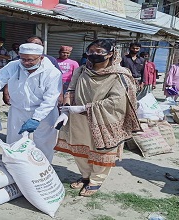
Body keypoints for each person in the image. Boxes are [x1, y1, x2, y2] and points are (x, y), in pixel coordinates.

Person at [54, 39, 141, 197]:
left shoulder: (120, 75)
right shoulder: (81, 71)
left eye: (100, 51)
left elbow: (116, 101)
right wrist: (66, 110)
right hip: (78, 119)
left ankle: (96, 180)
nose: (95, 55)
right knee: (80, 148)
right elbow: (71, 90)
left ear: (111, 54)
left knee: (102, 150)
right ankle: (86, 176)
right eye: (91, 51)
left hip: (105, 120)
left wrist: (85, 108)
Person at [0, 43, 62, 162]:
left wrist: (36, 118)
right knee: (14, 142)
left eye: (30, 60)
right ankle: (15, 168)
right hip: (18, 110)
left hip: (45, 113)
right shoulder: (14, 65)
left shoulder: (52, 72)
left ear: (41, 57)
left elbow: (50, 99)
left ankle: (42, 171)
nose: (25, 62)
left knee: (44, 144)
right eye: (22, 58)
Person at [2, 35, 61, 106]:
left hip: (42, 101)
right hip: (21, 103)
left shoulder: (51, 61)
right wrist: (5, 92)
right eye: (32, 44)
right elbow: (6, 77)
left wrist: (60, 95)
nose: (26, 62)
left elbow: (57, 81)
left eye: (38, 45)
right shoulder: (16, 62)